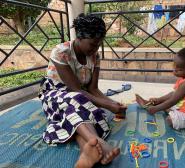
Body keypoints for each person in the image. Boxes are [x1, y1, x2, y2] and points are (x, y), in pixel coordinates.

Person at [38, 14, 127, 168]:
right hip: (55, 95)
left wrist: (114, 103)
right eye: (92, 44)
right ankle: (99, 142)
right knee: (79, 102)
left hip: (80, 98)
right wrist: (106, 105)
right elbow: (76, 90)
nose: (95, 49)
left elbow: (93, 89)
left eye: (99, 45)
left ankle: (86, 151)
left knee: (81, 110)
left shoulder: (95, 56)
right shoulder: (61, 52)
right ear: (78, 37)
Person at [135, 46, 185, 130]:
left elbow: (173, 100)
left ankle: (152, 108)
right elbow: (173, 94)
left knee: (170, 120)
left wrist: (156, 109)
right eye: (174, 66)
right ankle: (152, 103)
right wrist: (159, 99)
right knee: (168, 100)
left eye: (179, 69)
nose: (175, 70)